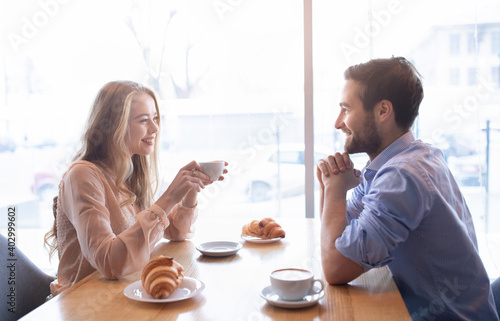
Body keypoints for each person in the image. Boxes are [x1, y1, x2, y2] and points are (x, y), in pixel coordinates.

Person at [316, 57, 499, 320]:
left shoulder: (403, 176)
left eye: (346, 109)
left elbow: (335, 268)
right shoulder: (392, 165)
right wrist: (328, 183)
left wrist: (334, 190)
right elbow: (338, 239)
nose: (337, 122)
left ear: (382, 111)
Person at [44, 80, 227, 296]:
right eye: (143, 120)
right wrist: (169, 197)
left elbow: (176, 232)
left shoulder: (129, 174)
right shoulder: (82, 175)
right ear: (114, 126)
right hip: (84, 304)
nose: (155, 128)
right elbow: (109, 262)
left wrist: (191, 187)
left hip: (118, 295)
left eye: (155, 118)